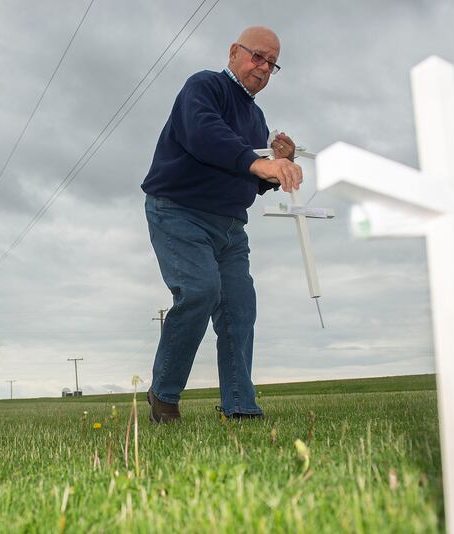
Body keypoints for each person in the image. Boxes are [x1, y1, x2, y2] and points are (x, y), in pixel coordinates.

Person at [141, 26, 302, 423]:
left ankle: (240, 405)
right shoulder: (204, 87)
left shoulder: (256, 115)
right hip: (178, 210)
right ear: (234, 52)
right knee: (199, 290)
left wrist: (275, 164)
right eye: (257, 56)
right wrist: (260, 162)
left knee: (240, 307)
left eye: (271, 63)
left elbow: (245, 174)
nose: (263, 68)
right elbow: (205, 136)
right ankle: (163, 394)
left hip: (230, 225)